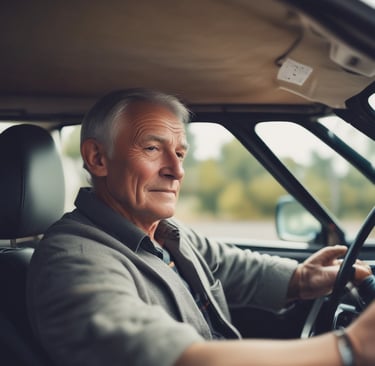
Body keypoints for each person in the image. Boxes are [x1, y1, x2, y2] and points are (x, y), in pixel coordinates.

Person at [27, 88, 375, 366]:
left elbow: (238, 269)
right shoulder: (73, 259)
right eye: (152, 148)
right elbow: (169, 358)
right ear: (98, 159)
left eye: (179, 153)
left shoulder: (165, 232)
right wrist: (350, 348)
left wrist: (301, 279)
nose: (176, 171)